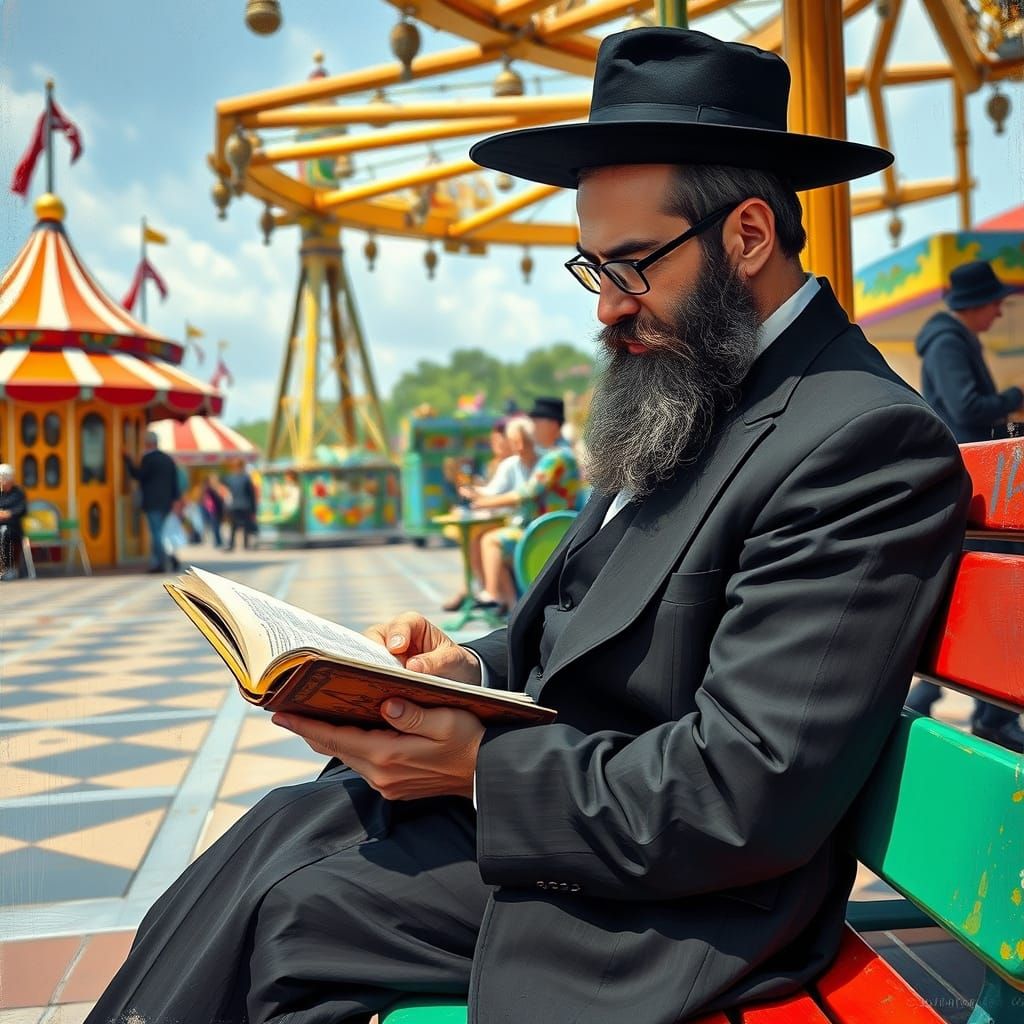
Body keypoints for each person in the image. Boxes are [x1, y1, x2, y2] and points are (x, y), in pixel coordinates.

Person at [86, 28, 971, 1024]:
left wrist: (472, 765)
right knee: (279, 831)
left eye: (629, 266)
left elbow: (741, 794)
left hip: (675, 894)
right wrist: (464, 671)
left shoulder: (859, 439)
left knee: (289, 914)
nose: (606, 311)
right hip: (575, 818)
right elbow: (584, 630)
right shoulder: (699, 382)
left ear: (749, 236)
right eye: (591, 270)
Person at [905, 259, 1024, 750]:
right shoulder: (949, 341)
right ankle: (989, 715)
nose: (999, 312)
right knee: (991, 596)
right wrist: (1016, 396)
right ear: (976, 304)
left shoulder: (949, 339)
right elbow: (966, 408)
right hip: (978, 489)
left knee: (975, 595)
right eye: (996, 302)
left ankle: (955, 704)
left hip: (976, 488)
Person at [470, 399, 581, 612]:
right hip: (545, 528)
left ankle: (493, 594)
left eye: (538, 423)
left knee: (491, 541)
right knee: (490, 542)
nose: (533, 428)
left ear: (554, 425)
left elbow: (528, 493)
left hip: (548, 531)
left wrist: (485, 502)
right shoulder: (555, 455)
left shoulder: (558, 457)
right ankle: (512, 606)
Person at [441, 416, 541, 612]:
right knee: (478, 541)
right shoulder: (512, 464)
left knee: (489, 541)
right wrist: (476, 494)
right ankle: (505, 602)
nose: (519, 447)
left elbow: (524, 494)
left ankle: (493, 594)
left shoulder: (548, 461)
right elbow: (495, 492)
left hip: (536, 528)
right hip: (521, 524)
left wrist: (481, 500)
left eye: (523, 442)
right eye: (515, 442)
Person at [123, 431, 182, 574]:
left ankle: (164, 561)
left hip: (152, 502)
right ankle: (162, 561)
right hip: (166, 503)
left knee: (156, 534)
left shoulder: (148, 459)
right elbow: (175, 482)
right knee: (160, 533)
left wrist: (128, 460)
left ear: (148, 443)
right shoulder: (168, 459)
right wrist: (175, 500)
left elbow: (138, 475)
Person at [222, 459, 258, 551]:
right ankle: (246, 545)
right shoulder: (246, 478)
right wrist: (254, 508)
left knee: (233, 526)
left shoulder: (230, 478)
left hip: (233, 505)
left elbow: (224, 488)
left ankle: (231, 545)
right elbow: (251, 494)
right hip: (245, 505)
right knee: (246, 526)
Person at [0, 464, 27, 581]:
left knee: (4, 533)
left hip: (14, 529)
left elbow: (23, 509)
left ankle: (9, 569)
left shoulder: (18, 493)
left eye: (3, 478)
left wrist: (8, 514)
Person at [200, 473, 226, 549]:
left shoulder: (215, 488)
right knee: (215, 526)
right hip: (212, 509)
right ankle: (218, 541)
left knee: (216, 526)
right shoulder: (210, 489)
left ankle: (218, 541)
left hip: (214, 509)